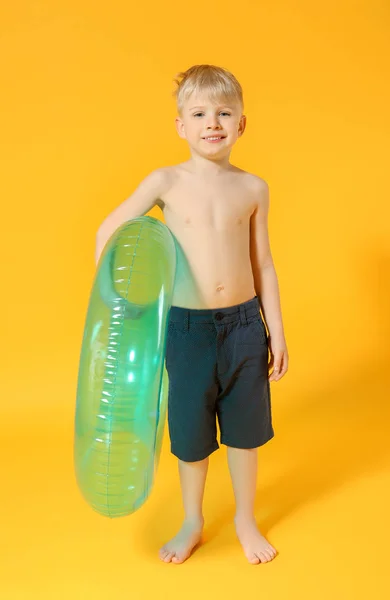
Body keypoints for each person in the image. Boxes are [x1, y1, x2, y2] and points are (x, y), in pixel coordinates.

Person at [95, 64, 289, 565]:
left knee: (247, 431)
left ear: (242, 123)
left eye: (225, 113)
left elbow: (263, 264)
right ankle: (192, 520)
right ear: (181, 125)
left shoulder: (253, 188)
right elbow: (110, 231)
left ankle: (246, 519)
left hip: (245, 326)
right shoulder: (166, 181)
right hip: (186, 329)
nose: (213, 123)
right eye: (200, 113)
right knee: (191, 433)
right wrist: (114, 295)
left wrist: (277, 332)